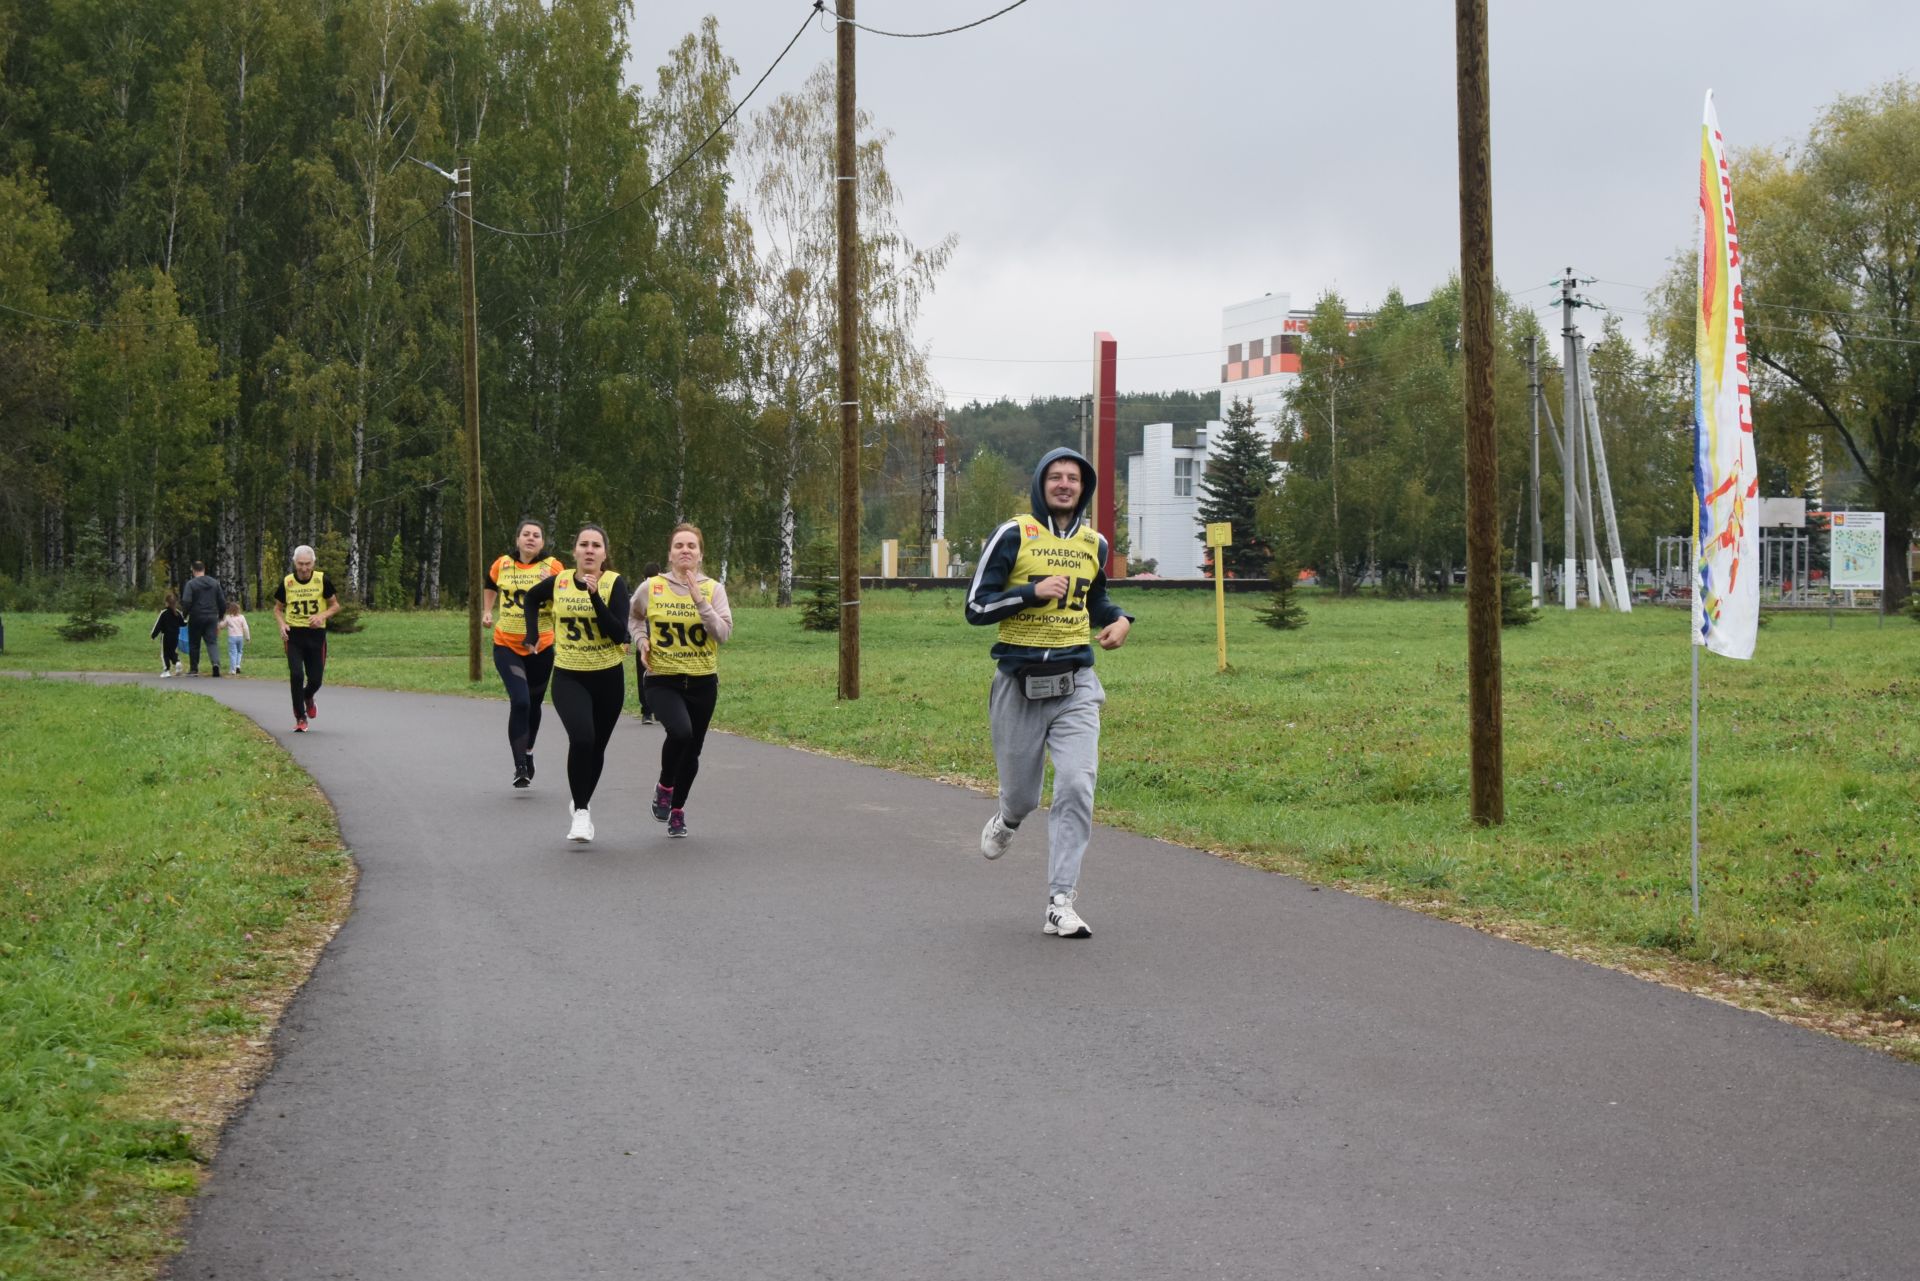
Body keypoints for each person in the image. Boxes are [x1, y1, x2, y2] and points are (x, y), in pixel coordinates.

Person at [964, 447, 1133, 939]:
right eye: (1055, 477)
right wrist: (1030, 594)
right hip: (1019, 685)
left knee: (1077, 785)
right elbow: (976, 607)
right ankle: (1009, 817)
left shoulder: (1094, 543)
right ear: (1040, 484)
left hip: (1076, 683)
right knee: (1023, 796)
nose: (1064, 485)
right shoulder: (1014, 534)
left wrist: (1119, 619)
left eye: (1073, 479)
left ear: (1084, 488)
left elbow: (1094, 598)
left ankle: (1061, 902)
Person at [521, 525, 631, 842]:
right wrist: (532, 634)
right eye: (584, 544)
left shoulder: (614, 584)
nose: (589, 550)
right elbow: (531, 598)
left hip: (608, 677)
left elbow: (617, 632)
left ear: (604, 554)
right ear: (575, 552)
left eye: (596, 545)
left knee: (596, 747)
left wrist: (595, 597)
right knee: (582, 738)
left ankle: (581, 799)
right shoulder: (560, 581)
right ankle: (581, 813)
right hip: (569, 675)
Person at [630, 525, 732, 839]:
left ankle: (677, 809)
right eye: (679, 546)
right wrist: (641, 639)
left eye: (691, 546)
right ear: (670, 554)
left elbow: (723, 634)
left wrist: (700, 601)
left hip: (702, 681)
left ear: (700, 554)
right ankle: (664, 785)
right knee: (680, 731)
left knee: (693, 752)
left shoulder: (713, 589)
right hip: (663, 679)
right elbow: (634, 616)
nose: (685, 550)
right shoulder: (651, 587)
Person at [482, 519, 566, 788]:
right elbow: (490, 584)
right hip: (507, 644)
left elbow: (565, 599)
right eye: (526, 534)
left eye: (536, 535)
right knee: (520, 702)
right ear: (517, 539)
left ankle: (528, 752)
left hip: (541, 647)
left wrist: (551, 586)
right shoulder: (502, 564)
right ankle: (520, 765)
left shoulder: (553, 567)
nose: (531, 538)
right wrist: (487, 610)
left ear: (543, 542)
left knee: (534, 704)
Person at [273, 546, 341, 733]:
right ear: (295, 563)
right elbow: (277, 609)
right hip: (294, 635)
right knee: (296, 675)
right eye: (300, 564)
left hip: (316, 635)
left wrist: (322, 616)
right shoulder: (288, 582)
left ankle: (308, 696)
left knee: (316, 680)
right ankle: (300, 718)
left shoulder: (321, 580)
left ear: (313, 563)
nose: (304, 568)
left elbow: (335, 605)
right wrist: (282, 625)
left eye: (307, 564)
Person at [180, 560, 227, 676]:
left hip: (196, 616)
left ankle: (194, 669)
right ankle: (215, 664)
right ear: (204, 569)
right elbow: (222, 602)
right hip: (211, 616)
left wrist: (184, 615)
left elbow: (186, 601)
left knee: (194, 643)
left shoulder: (191, 584)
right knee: (212, 642)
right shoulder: (215, 583)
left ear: (193, 570)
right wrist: (220, 616)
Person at [634, 562, 661, 725]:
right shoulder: (646, 591)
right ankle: (651, 711)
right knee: (654, 677)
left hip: (648, 641)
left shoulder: (640, 591)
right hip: (652, 641)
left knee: (648, 676)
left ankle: (649, 712)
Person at [150, 593, 186, 677]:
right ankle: (177, 663)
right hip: (175, 636)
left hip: (166, 636)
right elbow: (183, 623)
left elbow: (158, 625)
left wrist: (153, 635)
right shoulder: (178, 613)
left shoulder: (163, 613)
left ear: (166, 603)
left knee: (165, 653)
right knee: (172, 651)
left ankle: (166, 670)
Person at [220, 600, 251, 675]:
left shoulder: (228, 617)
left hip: (232, 638)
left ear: (230, 610)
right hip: (240, 637)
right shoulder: (242, 617)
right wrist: (247, 637)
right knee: (239, 651)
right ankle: (238, 665)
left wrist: (219, 622)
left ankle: (233, 669)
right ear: (238, 609)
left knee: (233, 653)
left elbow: (222, 625)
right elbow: (245, 628)